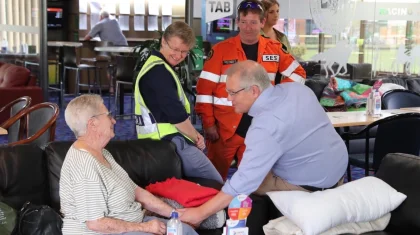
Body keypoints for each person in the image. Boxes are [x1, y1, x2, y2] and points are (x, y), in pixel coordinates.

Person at [181, 60, 348, 226]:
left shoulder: (265, 126)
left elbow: (244, 182)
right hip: (338, 168)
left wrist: (199, 213)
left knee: (242, 186)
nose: (228, 98)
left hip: (312, 183)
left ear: (254, 90)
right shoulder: (298, 89)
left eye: (233, 93)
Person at [195, 0, 306, 180]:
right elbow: (204, 90)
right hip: (225, 129)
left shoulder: (275, 49)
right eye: (244, 22)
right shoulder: (221, 50)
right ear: (237, 22)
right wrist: (208, 123)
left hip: (260, 127)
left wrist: (277, 94)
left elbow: (299, 73)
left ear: (262, 23)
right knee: (213, 180)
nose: (248, 27)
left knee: (254, 180)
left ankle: (250, 209)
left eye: (254, 22)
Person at [60, 94, 198, 235]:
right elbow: (96, 223)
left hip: (133, 224)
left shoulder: (103, 153)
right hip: (108, 232)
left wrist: (175, 214)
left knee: (185, 231)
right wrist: (146, 228)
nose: (113, 120)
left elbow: (136, 191)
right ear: (93, 124)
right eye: (108, 116)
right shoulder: (84, 164)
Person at [134, 21, 223, 184]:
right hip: (170, 141)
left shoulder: (158, 66)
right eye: (175, 49)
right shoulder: (158, 71)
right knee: (215, 184)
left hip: (163, 141)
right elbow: (176, 116)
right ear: (163, 42)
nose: (178, 55)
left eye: (184, 52)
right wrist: (196, 137)